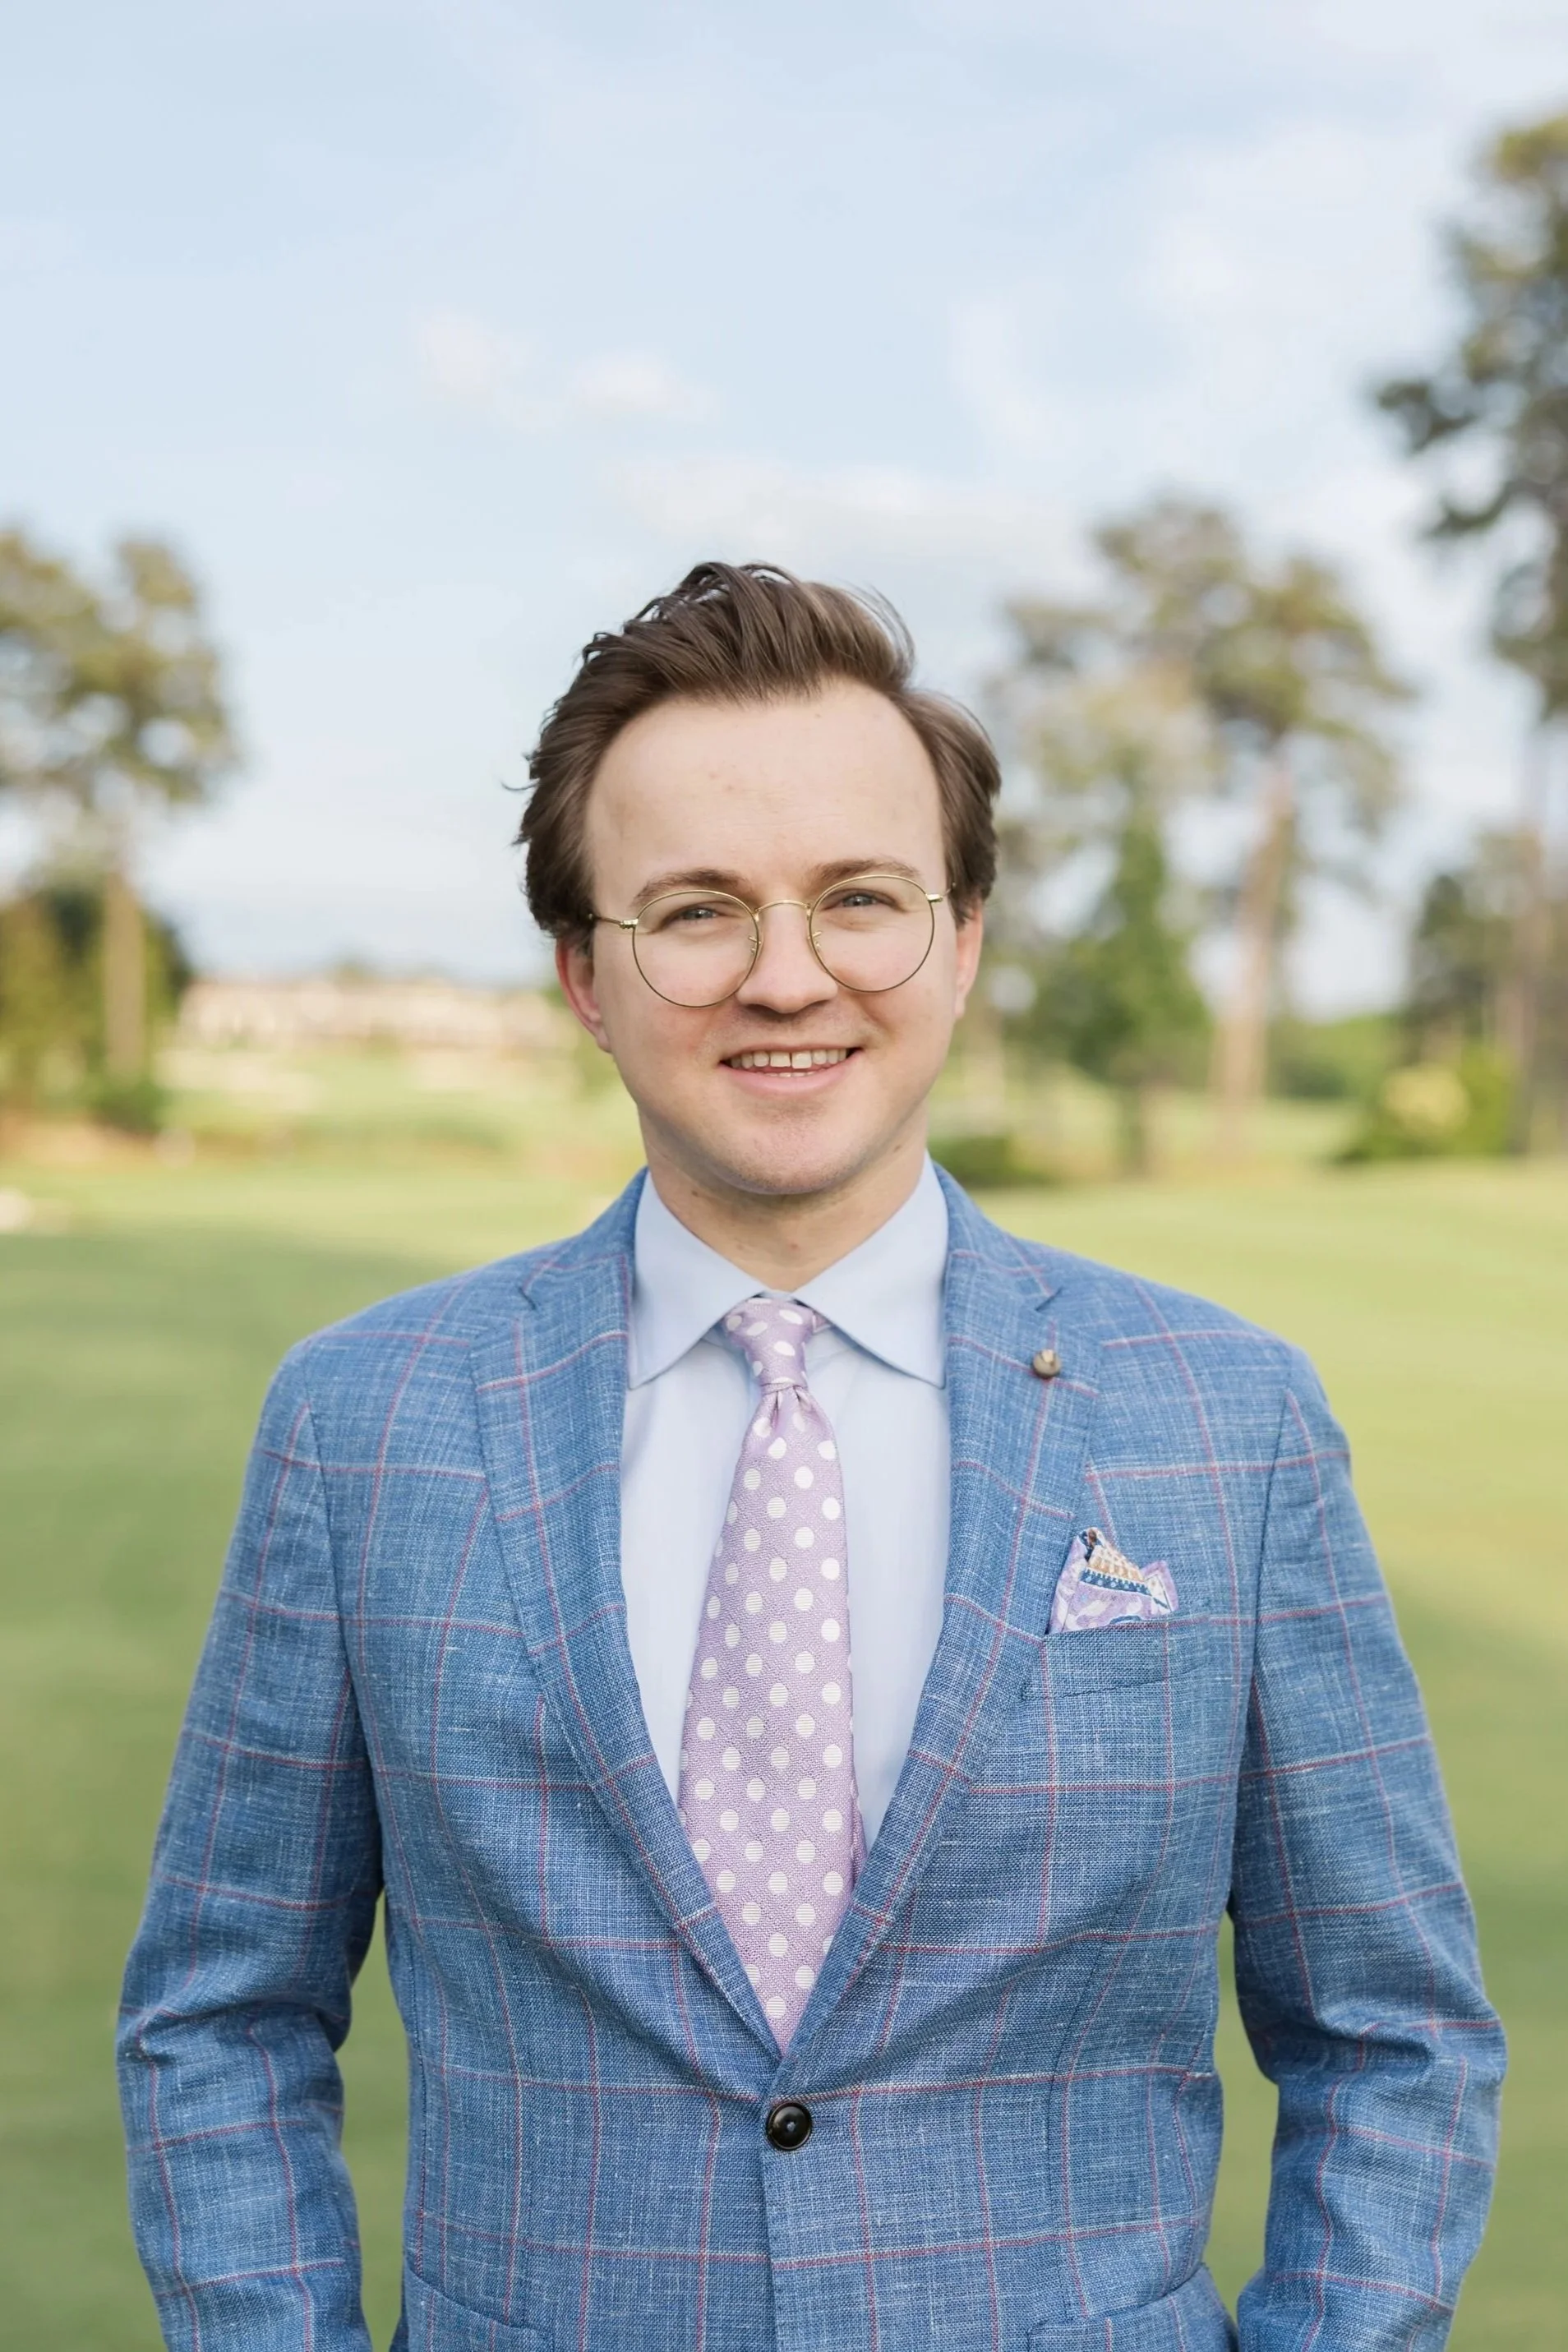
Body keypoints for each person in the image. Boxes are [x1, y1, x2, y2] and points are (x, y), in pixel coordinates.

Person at [119, 562, 1503, 2352]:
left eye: (860, 899)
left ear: (965, 938)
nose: (788, 978)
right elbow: (221, 2015)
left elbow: (1393, 2033)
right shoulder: (364, 1425)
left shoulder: (1230, 1423)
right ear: (584, 974)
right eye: (696, 910)